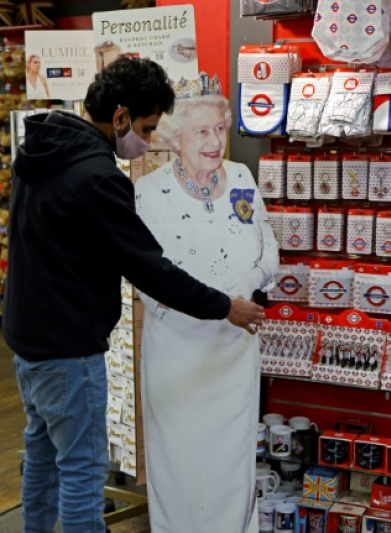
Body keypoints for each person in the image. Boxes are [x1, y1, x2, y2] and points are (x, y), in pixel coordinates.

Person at [3, 58, 265, 533]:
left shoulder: (42, 152)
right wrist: (225, 306)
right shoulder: (99, 177)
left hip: (28, 338)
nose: (145, 142)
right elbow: (149, 268)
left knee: (42, 454)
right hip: (70, 346)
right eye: (144, 128)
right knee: (83, 469)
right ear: (120, 116)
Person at [134, 75, 279, 533]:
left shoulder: (240, 177)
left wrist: (249, 285)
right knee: (179, 458)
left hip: (234, 348)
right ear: (175, 138)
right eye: (202, 131)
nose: (215, 141)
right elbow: (146, 277)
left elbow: (268, 249)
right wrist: (219, 302)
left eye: (220, 129)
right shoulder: (148, 193)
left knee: (232, 457)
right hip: (178, 350)